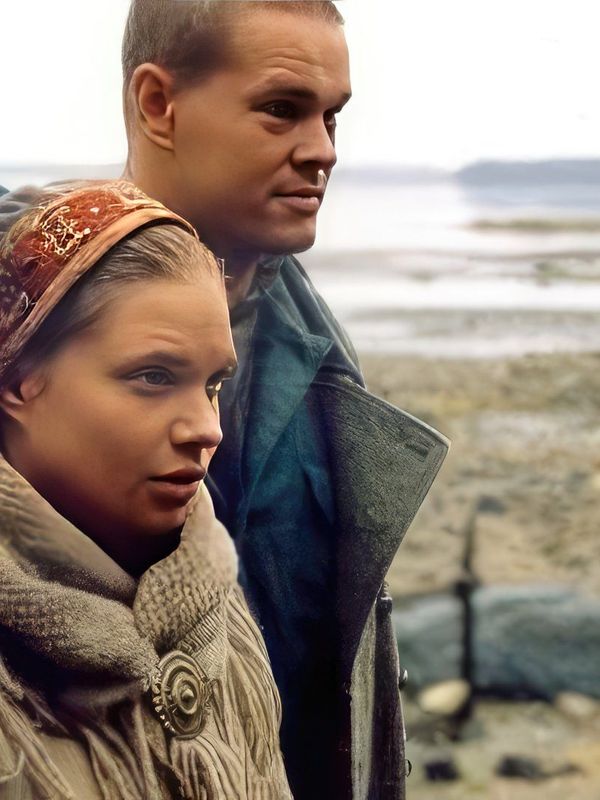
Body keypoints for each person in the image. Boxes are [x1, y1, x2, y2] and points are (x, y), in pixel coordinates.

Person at [119, 2, 450, 799]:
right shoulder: (31, 335)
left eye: (331, 117)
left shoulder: (316, 346)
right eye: (281, 109)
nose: (323, 150)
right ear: (159, 103)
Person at [0, 181, 292, 799]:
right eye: (154, 377)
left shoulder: (216, 606)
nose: (207, 429)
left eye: (213, 385)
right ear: (19, 381)